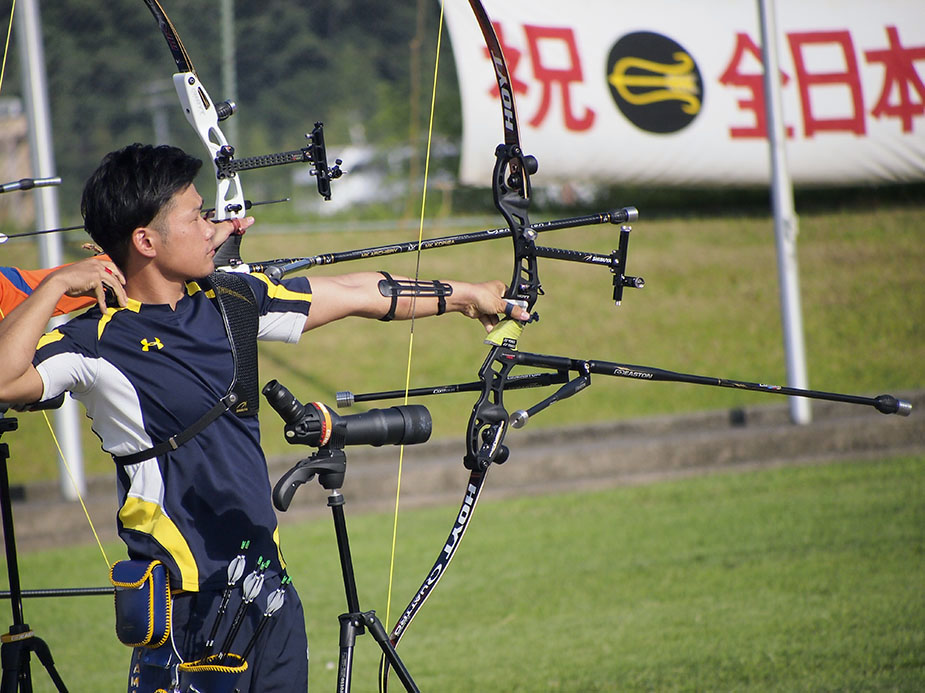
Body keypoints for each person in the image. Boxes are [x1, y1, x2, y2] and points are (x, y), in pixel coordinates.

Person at [0, 143, 528, 692]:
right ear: (145, 241)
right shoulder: (95, 340)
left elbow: (355, 292)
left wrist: (467, 294)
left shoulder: (231, 301)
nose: (213, 228)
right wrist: (55, 286)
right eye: (197, 217)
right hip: (186, 611)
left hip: (268, 593)